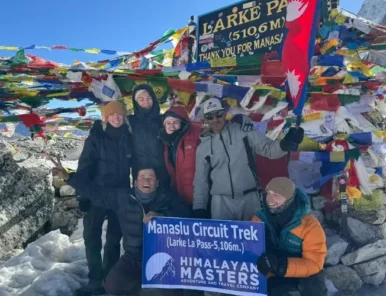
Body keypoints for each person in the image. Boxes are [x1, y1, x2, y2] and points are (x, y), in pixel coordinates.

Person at [52, 101, 132, 296]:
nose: (116, 118)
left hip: (119, 196)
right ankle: (95, 281)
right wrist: (83, 195)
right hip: (96, 194)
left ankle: (109, 279)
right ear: (105, 118)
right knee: (92, 239)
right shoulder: (96, 138)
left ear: (124, 117)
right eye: (112, 115)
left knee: (114, 240)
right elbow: (85, 167)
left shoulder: (129, 137)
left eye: (120, 115)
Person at [69, 167, 190, 296]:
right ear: (136, 182)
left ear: (157, 183)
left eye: (150, 178)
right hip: (133, 256)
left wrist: (163, 215)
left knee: (174, 292)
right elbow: (96, 193)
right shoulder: (124, 198)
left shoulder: (168, 197)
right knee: (111, 285)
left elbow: (187, 215)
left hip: (162, 258)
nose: (146, 181)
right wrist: (69, 178)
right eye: (142, 178)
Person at [193, 97, 304, 221]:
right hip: (221, 202)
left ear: (225, 113)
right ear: (205, 119)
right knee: (226, 240)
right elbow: (200, 181)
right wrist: (199, 207)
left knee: (254, 238)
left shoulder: (243, 131)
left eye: (218, 114)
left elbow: (268, 149)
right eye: (210, 116)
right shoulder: (203, 148)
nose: (215, 119)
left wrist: (286, 143)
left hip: (249, 197)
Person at [252, 177, 327, 296]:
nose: (270, 199)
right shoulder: (259, 219)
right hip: (272, 273)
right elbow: (250, 250)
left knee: (314, 287)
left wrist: (280, 266)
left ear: (289, 199)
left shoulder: (310, 225)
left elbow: (314, 263)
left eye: (277, 195)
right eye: (269, 194)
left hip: (302, 274)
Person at [159, 106, 201, 213]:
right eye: (168, 123)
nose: (171, 126)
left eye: (175, 122)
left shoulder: (194, 136)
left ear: (182, 123)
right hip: (179, 197)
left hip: (198, 198)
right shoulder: (167, 143)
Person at [129, 84, 169, 189]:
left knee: (164, 196)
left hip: (163, 169)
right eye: (141, 99)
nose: (146, 101)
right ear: (135, 102)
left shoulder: (162, 120)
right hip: (140, 170)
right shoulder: (130, 121)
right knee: (143, 196)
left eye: (148, 98)